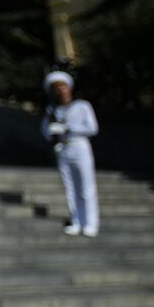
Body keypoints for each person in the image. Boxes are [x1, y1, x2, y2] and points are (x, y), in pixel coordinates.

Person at [41, 70, 100, 237]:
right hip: (62, 148)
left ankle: (90, 223)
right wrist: (52, 132)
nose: (61, 90)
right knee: (70, 187)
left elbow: (92, 128)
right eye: (56, 88)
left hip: (79, 145)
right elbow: (45, 130)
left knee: (86, 187)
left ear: (69, 88)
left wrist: (69, 129)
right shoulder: (52, 110)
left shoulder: (82, 106)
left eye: (63, 86)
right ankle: (76, 220)